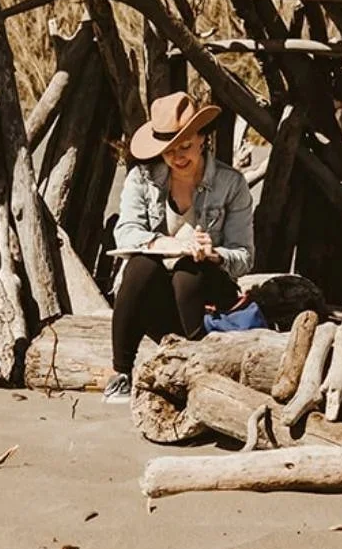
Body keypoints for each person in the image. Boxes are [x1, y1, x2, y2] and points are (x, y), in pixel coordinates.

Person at [104, 92, 255, 405]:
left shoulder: (231, 184)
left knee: (188, 272)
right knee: (140, 266)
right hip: (156, 297)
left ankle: (197, 366)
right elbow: (126, 234)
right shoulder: (142, 179)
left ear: (202, 138)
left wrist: (214, 253)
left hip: (206, 293)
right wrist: (175, 244)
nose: (177, 157)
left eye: (185, 146)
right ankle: (120, 371)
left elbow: (244, 256)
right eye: (168, 150)